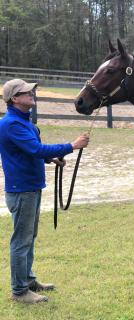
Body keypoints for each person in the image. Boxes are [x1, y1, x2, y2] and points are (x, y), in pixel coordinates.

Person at [0, 79, 90, 304]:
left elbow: (31, 152)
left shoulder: (23, 123)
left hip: (30, 187)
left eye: (32, 90)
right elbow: (35, 148)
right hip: (22, 190)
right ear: (14, 99)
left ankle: (28, 280)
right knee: (21, 241)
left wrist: (51, 159)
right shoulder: (11, 124)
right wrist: (71, 146)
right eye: (26, 92)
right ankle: (19, 291)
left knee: (29, 237)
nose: (32, 93)